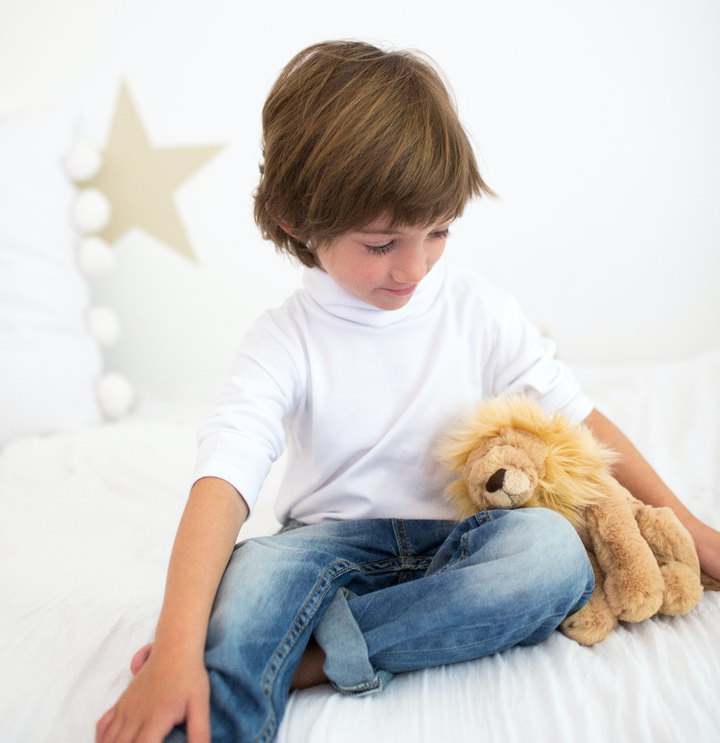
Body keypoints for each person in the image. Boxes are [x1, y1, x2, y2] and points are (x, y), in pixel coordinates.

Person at [96, 40, 720, 743]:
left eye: (439, 230)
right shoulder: (284, 339)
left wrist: (694, 532)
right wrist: (175, 651)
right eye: (382, 243)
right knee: (253, 579)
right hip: (323, 545)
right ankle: (214, 706)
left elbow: (577, 416)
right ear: (293, 219)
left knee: (552, 555)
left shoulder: (478, 309)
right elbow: (224, 477)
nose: (415, 265)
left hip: (458, 542)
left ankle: (315, 658)